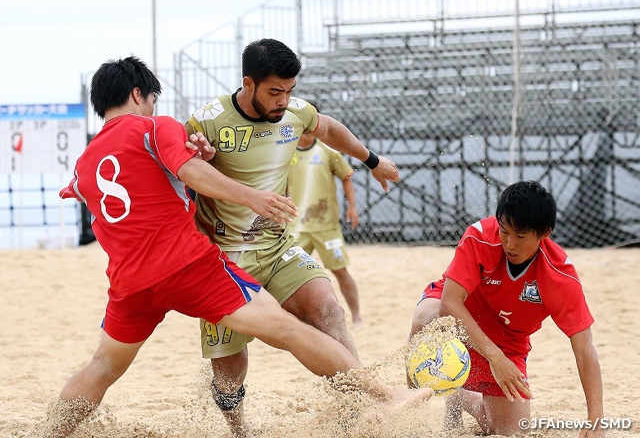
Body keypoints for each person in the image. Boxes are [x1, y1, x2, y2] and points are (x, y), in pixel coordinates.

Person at [43, 56, 432, 438]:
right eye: (152, 100)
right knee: (288, 330)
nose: (153, 107)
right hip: (190, 267)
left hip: (130, 283)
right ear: (137, 93)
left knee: (102, 367)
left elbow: (108, 190)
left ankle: (50, 433)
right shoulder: (155, 127)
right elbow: (189, 171)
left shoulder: (84, 163)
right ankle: (385, 395)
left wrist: (199, 157)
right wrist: (250, 196)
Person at [185, 38, 400, 437]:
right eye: (274, 91)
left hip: (277, 246)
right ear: (248, 84)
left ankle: (354, 408)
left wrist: (371, 160)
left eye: (290, 90)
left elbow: (330, 128)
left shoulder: (295, 114)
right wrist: (200, 159)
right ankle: (239, 429)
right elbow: (183, 178)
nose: (284, 100)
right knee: (230, 371)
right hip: (224, 259)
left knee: (328, 310)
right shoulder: (206, 122)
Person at [407, 181, 604, 437]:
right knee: (426, 318)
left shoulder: (560, 275)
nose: (509, 244)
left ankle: (461, 397)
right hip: (459, 318)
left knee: (508, 431)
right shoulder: (480, 236)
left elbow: (584, 349)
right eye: (504, 231)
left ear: (544, 233)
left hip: (508, 342)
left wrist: (595, 419)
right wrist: (495, 358)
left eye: (520, 236)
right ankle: (406, 408)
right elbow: (449, 303)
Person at [287, 132, 363, 327]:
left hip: (326, 226)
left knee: (340, 270)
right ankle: (294, 320)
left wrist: (352, 207)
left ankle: (356, 316)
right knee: (289, 273)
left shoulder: (328, 151)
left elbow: (346, 176)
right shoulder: (286, 151)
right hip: (297, 225)